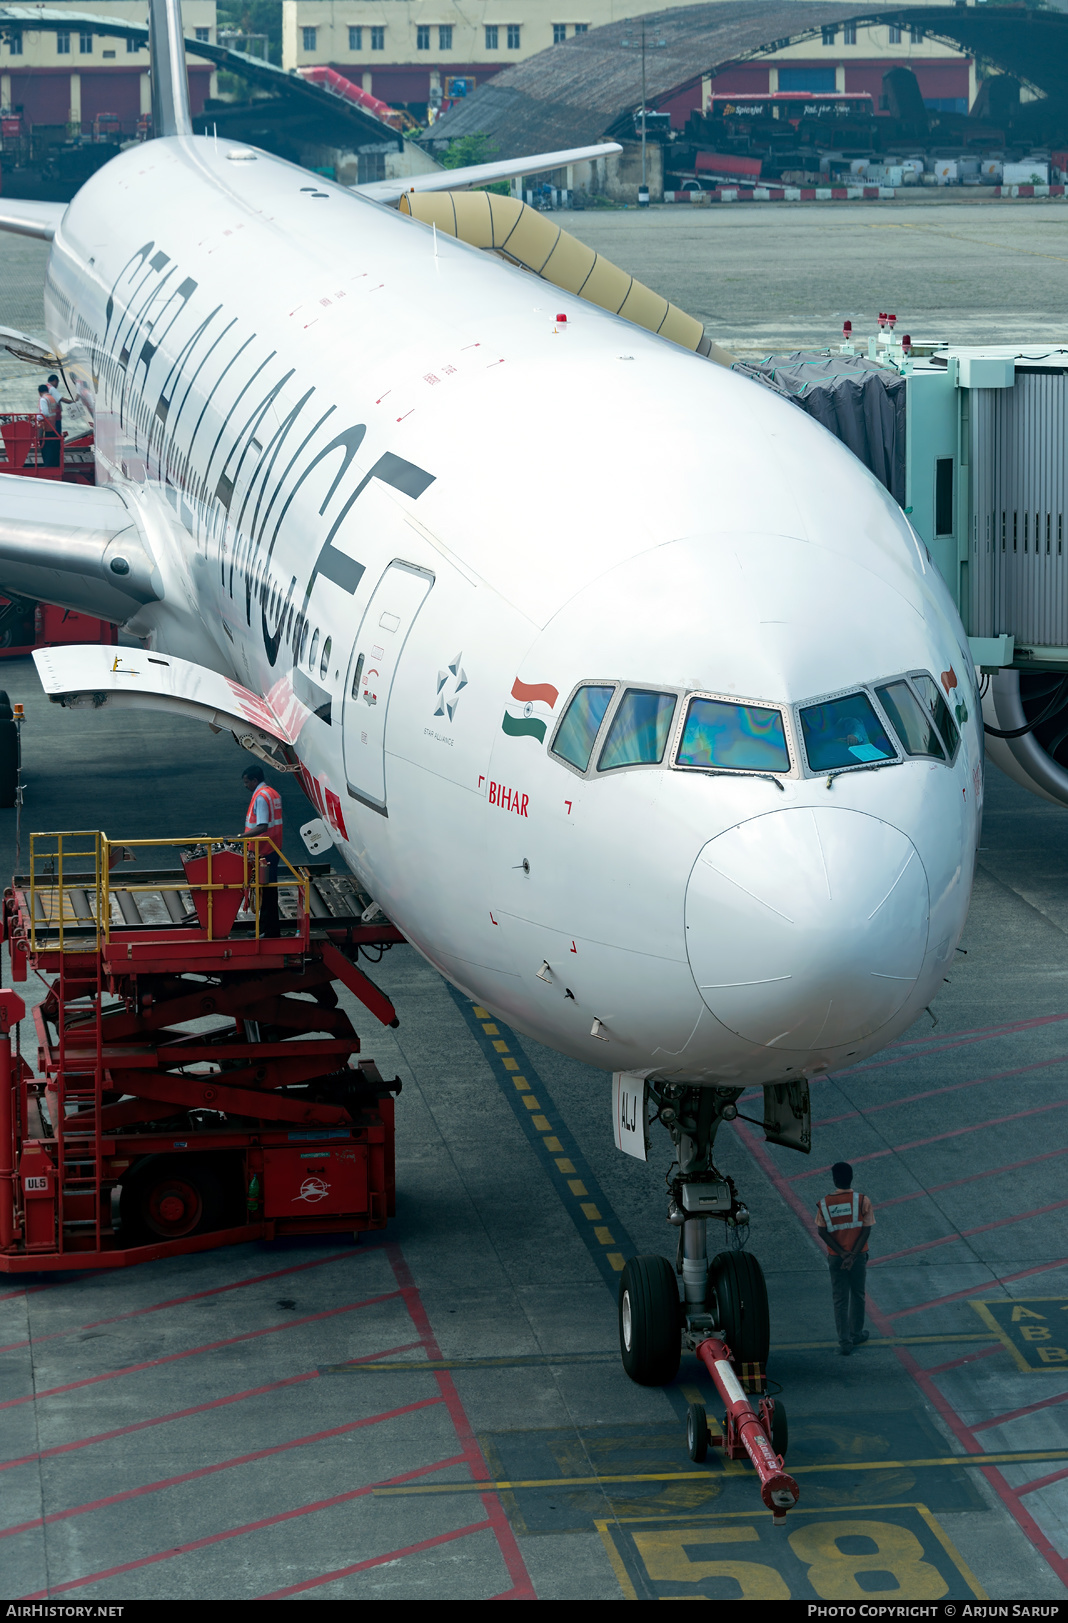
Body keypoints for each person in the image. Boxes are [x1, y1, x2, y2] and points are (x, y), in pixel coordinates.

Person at [816, 1161, 875, 1356]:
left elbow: (822, 1231)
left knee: (840, 1299)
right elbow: (866, 1230)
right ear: (851, 1178)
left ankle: (845, 1341)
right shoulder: (862, 1200)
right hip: (858, 1258)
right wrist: (853, 1255)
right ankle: (856, 1333)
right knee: (857, 1295)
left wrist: (842, 1254)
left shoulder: (825, 1204)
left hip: (836, 1258)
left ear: (834, 1180)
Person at [241, 765, 283, 936]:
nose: (245, 785)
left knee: (266, 893)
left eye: (246, 782)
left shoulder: (260, 797)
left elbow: (262, 826)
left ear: (254, 780)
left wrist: (240, 837)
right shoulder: (273, 793)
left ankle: (268, 931)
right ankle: (266, 929)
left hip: (264, 852)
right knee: (268, 892)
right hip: (274, 848)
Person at [36, 384, 60, 468]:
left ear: (39, 392)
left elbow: (44, 413)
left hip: (46, 427)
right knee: (51, 446)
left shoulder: (43, 399)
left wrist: (35, 417)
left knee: (45, 447)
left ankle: (47, 465)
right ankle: (52, 464)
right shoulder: (52, 398)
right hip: (52, 426)